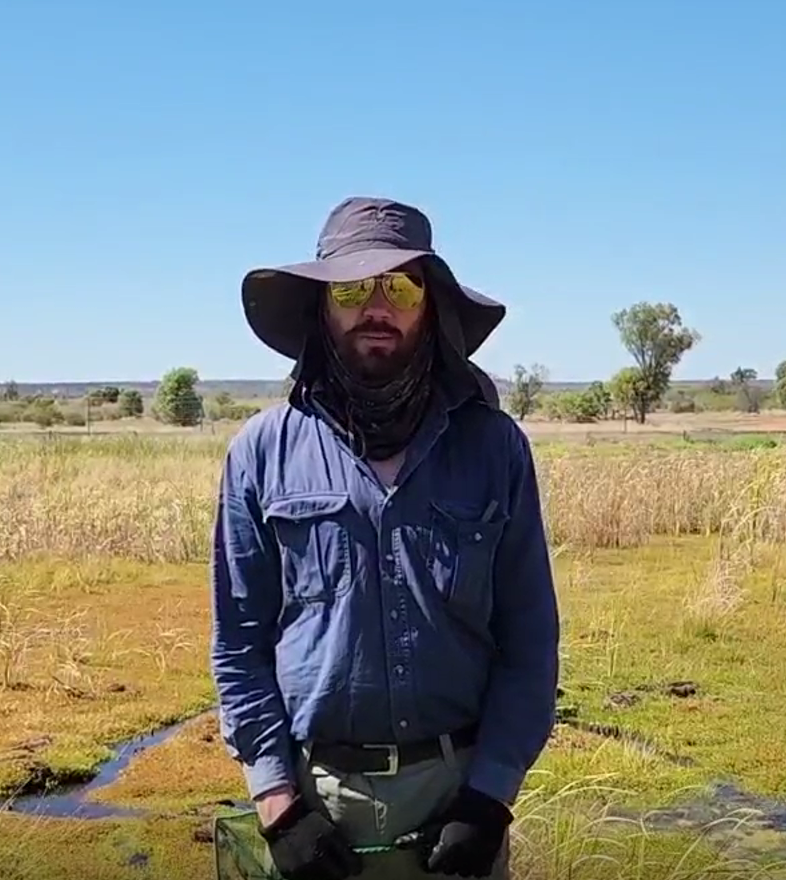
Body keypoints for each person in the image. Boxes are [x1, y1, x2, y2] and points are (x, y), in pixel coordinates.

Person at [209, 196, 561, 879]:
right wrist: (280, 806)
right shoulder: (260, 451)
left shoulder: (494, 449)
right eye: (351, 288)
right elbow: (238, 642)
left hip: (456, 793)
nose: (377, 306)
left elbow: (530, 639)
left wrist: (488, 801)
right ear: (320, 306)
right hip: (318, 799)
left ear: (430, 306)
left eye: (399, 286)